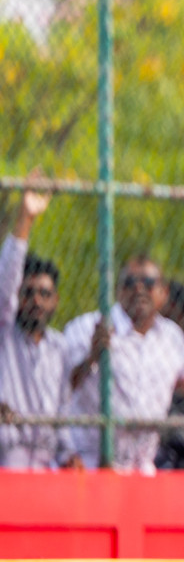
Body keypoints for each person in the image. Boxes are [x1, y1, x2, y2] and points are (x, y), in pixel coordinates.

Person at [60, 255, 184, 472]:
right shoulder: (87, 328)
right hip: (92, 464)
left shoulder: (171, 337)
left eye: (149, 283)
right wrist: (92, 357)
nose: (139, 289)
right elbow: (62, 388)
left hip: (142, 467)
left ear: (163, 292)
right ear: (117, 290)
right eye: (130, 282)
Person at [0, 187, 70, 469]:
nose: (36, 301)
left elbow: (63, 412)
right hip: (8, 461)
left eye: (44, 294)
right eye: (28, 293)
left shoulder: (60, 347)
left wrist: (68, 455)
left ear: (55, 301)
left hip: (46, 465)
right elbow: (5, 283)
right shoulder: (5, 335)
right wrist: (25, 220)